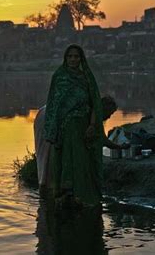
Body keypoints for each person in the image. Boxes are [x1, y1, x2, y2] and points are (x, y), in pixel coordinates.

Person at [43, 44, 105, 208]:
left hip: (82, 126)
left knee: (82, 159)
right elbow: (54, 104)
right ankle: (65, 193)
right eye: (70, 56)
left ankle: (82, 194)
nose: (73, 59)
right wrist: (52, 129)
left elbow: (94, 104)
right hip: (63, 128)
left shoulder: (86, 78)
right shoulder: (60, 77)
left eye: (76, 56)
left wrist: (92, 125)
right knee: (64, 158)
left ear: (81, 58)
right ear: (65, 58)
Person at [34, 96, 129, 197]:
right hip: (52, 118)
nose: (109, 117)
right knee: (51, 157)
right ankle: (51, 192)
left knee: (44, 156)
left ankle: (45, 188)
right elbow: (103, 140)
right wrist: (121, 147)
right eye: (109, 114)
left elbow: (101, 140)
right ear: (103, 108)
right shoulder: (91, 114)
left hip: (45, 113)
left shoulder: (88, 108)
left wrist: (120, 147)